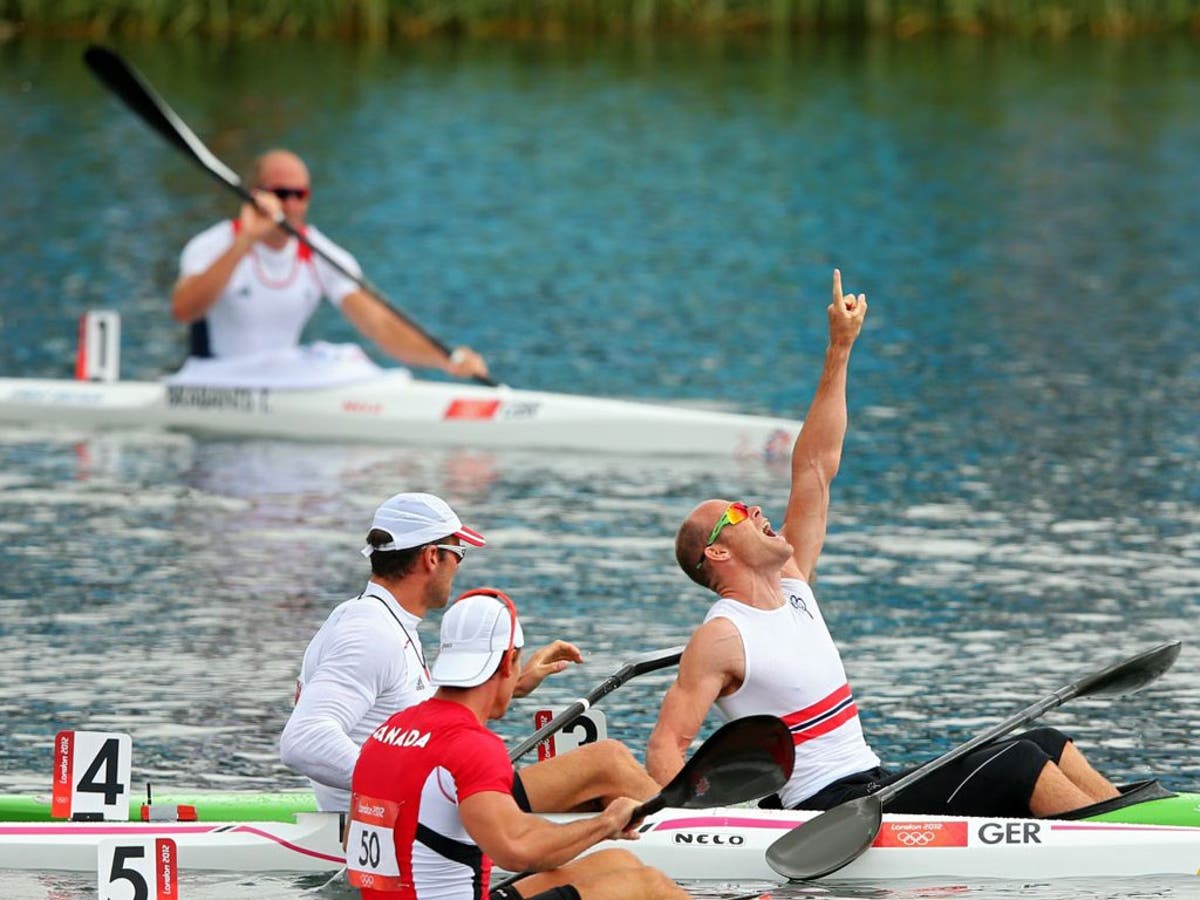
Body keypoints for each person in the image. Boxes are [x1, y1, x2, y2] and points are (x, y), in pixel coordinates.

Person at [645, 270, 1121, 820]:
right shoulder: (722, 637)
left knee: (1046, 741)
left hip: (874, 782)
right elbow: (666, 746)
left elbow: (816, 467)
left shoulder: (793, 583)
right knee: (1019, 763)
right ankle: (1129, 854)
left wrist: (840, 348)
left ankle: (1135, 829)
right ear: (717, 554)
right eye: (735, 513)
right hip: (830, 809)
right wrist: (698, 830)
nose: (754, 509)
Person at [280, 491, 661, 817]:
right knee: (607, 761)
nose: (459, 565)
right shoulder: (369, 634)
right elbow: (305, 740)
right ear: (432, 557)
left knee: (593, 792)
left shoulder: (367, 617)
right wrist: (419, 788)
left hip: (424, 805)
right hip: (415, 819)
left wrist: (510, 684)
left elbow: (408, 714)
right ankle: (694, 834)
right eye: (458, 552)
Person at [348, 589, 687, 900]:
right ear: (509, 660)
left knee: (617, 861)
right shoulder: (473, 747)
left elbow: (355, 843)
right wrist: (606, 823)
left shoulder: (388, 732)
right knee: (648, 887)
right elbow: (514, 849)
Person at [171, 148, 488, 380]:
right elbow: (185, 309)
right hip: (212, 380)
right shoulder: (213, 245)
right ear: (255, 196)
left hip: (281, 382)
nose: (292, 204)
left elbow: (381, 325)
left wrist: (446, 359)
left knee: (349, 359)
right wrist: (245, 242)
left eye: (301, 194)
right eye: (282, 194)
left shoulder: (319, 252)